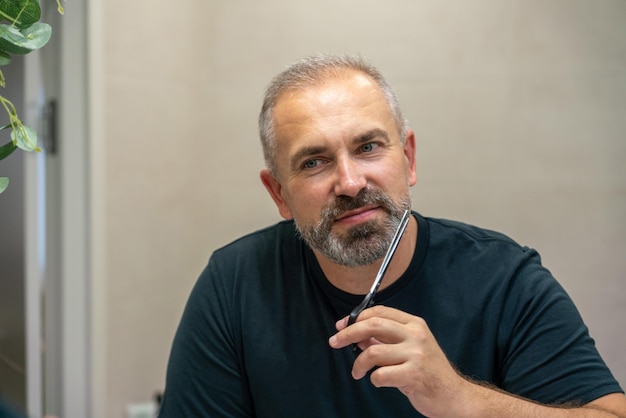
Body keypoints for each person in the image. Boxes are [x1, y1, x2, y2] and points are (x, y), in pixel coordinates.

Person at [158, 54, 626, 417]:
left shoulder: (505, 279)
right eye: (314, 162)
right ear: (279, 194)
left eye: (368, 147)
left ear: (409, 159)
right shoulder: (233, 285)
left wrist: (461, 400)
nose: (350, 182)